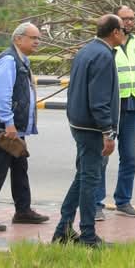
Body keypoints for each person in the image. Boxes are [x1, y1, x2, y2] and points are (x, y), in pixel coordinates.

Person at [0, 22, 50, 232]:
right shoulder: (8, 60)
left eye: (38, 38)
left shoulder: (22, 60)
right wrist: (9, 123)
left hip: (13, 127)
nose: (37, 42)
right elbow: (1, 95)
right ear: (18, 39)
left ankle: (23, 211)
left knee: (20, 166)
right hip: (3, 127)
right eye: (33, 38)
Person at [52, 15, 124, 247]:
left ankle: (63, 229)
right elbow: (99, 100)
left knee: (83, 177)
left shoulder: (87, 50)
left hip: (79, 124)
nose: (125, 33)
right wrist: (108, 132)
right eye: (123, 29)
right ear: (114, 32)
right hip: (92, 128)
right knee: (90, 180)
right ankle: (88, 236)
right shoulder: (103, 56)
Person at [96, 4, 135, 220]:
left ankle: (123, 201)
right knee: (103, 156)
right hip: (113, 108)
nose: (129, 22)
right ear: (115, 22)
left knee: (130, 158)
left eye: (132, 18)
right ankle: (96, 203)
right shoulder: (108, 44)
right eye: (125, 19)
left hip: (134, 107)